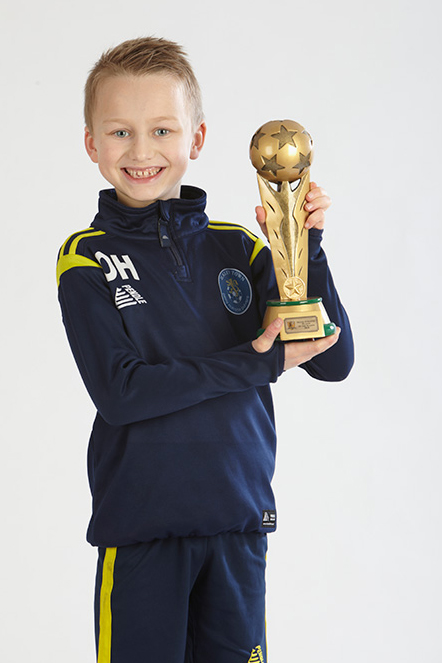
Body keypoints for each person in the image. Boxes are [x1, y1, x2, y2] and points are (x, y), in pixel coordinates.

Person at [56, 36, 353, 663]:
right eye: (119, 132)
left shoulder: (239, 248)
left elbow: (331, 359)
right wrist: (259, 360)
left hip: (237, 524)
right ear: (91, 144)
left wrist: (306, 248)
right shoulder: (86, 258)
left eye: (162, 129)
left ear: (195, 138)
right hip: (142, 532)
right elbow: (122, 393)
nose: (141, 151)